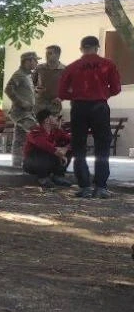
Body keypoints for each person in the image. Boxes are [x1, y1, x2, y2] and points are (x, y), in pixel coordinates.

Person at [59, 35, 122, 198]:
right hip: (99, 107)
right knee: (102, 146)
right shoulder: (108, 65)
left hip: (79, 108)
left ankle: (84, 186)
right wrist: (102, 93)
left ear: (81, 49)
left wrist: (77, 95)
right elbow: (116, 88)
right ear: (97, 47)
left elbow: (62, 92)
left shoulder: (72, 67)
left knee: (79, 146)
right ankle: (100, 186)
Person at [5, 51, 40, 167]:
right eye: (35, 60)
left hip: (26, 113)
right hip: (21, 113)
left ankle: (17, 164)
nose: (37, 63)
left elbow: (23, 90)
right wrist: (21, 102)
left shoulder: (27, 75)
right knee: (37, 133)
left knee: (20, 139)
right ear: (28, 61)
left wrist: (35, 91)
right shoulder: (19, 74)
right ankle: (35, 163)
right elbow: (8, 89)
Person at [22, 109, 72, 188]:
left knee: (69, 148)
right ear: (47, 120)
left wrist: (65, 149)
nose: (58, 119)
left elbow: (74, 140)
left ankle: (58, 176)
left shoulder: (56, 131)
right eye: (55, 117)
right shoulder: (35, 132)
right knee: (40, 150)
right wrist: (58, 152)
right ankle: (43, 177)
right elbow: (44, 145)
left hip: (50, 162)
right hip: (32, 165)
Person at [33, 44, 65, 116]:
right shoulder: (39, 68)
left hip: (55, 106)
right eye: (46, 53)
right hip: (39, 105)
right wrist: (36, 89)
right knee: (38, 127)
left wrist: (61, 98)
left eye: (50, 53)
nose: (46, 56)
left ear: (58, 55)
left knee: (54, 126)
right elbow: (30, 84)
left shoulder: (64, 70)